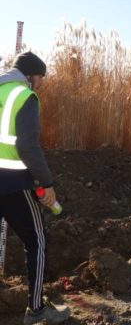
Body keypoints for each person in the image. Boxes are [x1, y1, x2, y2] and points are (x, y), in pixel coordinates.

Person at [0, 52, 70, 325]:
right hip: (14, 184)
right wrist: (47, 182)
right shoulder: (24, 96)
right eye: (40, 77)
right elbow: (28, 147)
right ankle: (37, 310)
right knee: (37, 241)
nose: (40, 83)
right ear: (31, 75)